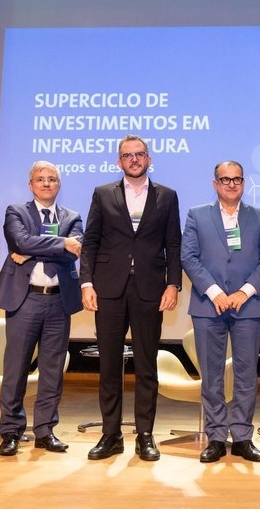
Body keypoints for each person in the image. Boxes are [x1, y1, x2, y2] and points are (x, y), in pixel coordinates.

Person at [80, 134, 182, 462]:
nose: (134, 160)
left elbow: (174, 244)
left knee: (146, 365)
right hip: (108, 290)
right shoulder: (102, 193)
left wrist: (173, 284)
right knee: (109, 365)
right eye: (127, 155)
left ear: (149, 159)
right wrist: (86, 283)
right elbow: (90, 241)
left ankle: (145, 435)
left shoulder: (167, 196)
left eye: (139, 154)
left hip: (150, 290)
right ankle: (111, 434)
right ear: (119, 161)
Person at [181, 160, 260, 463]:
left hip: (248, 305)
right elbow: (189, 257)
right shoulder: (197, 215)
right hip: (208, 305)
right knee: (211, 376)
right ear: (215, 184)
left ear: (244, 183)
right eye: (225, 179)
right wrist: (215, 293)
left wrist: (243, 292)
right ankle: (216, 437)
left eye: (237, 179)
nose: (232, 184)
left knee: (246, 376)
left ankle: (243, 437)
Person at [0, 160, 83, 456]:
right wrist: (60, 244)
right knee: (16, 368)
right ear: (31, 185)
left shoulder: (73, 217)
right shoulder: (16, 212)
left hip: (59, 300)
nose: (46, 183)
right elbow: (19, 241)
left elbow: (74, 253)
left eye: (52, 179)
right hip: (24, 299)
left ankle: (45, 430)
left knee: (52, 370)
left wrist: (31, 251)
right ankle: (11, 431)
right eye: (40, 179)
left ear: (59, 185)